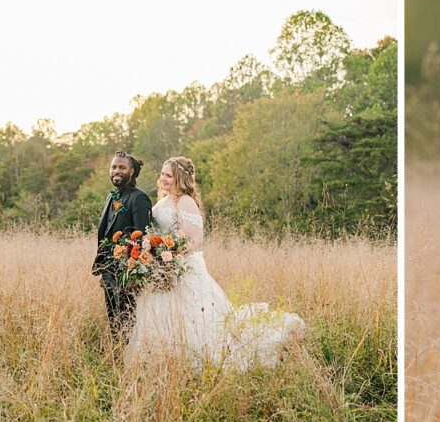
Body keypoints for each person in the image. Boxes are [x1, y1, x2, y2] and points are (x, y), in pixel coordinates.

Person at [125, 156, 305, 370]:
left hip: (181, 269)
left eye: (168, 175)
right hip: (162, 270)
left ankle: (194, 360)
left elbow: (196, 240)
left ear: (180, 178)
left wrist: (172, 254)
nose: (163, 178)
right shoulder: (163, 200)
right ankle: (162, 361)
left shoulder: (185, 201)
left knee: (197, 322)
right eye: (163, 173)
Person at [92, 151, 153, 341]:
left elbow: (142, 236)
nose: (116, 171)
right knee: (113, 319)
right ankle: (118, 359)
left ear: (132, 171)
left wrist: (134, 274)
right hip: (109, 269)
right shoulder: (112, 197)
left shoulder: (139, 198)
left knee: (128, 319)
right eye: (113, 167)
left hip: (128, 273)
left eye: (122, 167)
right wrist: (103, 269)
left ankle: (130, 360)